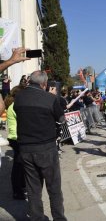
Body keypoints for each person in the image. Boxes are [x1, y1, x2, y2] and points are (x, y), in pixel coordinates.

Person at [14, 70, 67, 220]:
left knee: (33, 189)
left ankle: (36, 218)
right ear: (44, 84)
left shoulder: (19, 97)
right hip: (46, 148)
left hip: (25, 148)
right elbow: (62, 119)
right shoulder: (49, 99)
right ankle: (59, 218)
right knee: (54, 188)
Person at [5, 85, 26, 200]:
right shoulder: (14, 106)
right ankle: (17, 191)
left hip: (16, 137)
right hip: (16, 138)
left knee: (21, 164)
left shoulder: (14, 105)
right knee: (18, 166)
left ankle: (21, 186)